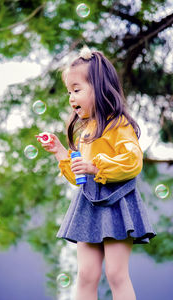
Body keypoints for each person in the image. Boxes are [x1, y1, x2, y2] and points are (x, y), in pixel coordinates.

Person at [36, 46, 156, 300]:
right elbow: (79, 179)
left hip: (117, 205)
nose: (71, 98)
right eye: (69, 91)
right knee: (86, 275)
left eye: (77, 90)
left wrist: (96, 166)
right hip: (88, 206)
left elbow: (133, 161)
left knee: (116, 274)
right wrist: (60, 152)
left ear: (100, 88)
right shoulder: (86, 133)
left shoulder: (118, 125)